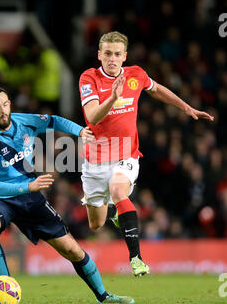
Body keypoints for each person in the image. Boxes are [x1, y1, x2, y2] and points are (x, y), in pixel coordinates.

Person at [0, 85, 134, 304]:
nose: (2, 111)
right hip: (0, 199)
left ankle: (103, 296)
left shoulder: (25, 121)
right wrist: (29, 187)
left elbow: (54, 120)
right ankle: (6, 288)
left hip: (31, 197)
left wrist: (79, 131)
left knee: (72, 249)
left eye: (4, 104)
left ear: (9, 103)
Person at [78, 31, 214, 276]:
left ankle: (136, 258)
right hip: (95, 159)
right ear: (99, 55)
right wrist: (113, 98)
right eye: (107, 53)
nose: (112, 59)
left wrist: (185, 107)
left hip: (126, 154)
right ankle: (114, 211)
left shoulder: (136, 74)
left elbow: (157, 89)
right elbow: (92, 116)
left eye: (117, 54)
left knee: (119, 190)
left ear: (125, 56)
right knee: (96, 224)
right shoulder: (89, 78)